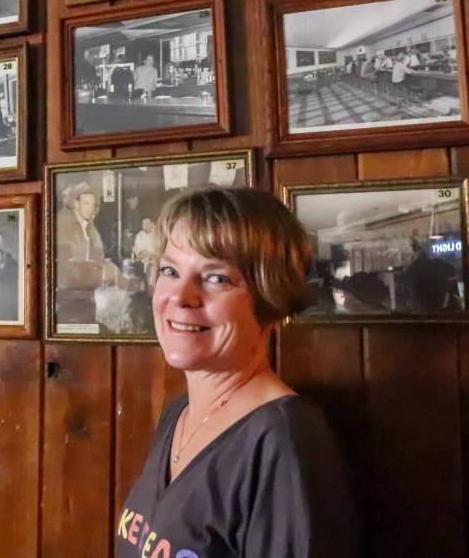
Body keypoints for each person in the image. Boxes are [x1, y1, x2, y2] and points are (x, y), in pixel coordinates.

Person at [117, 187, 360, 558]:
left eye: (216, 278)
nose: (181, 296)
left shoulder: (284, 441)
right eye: (170, 270)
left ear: (270, 299)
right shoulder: (178, 414)